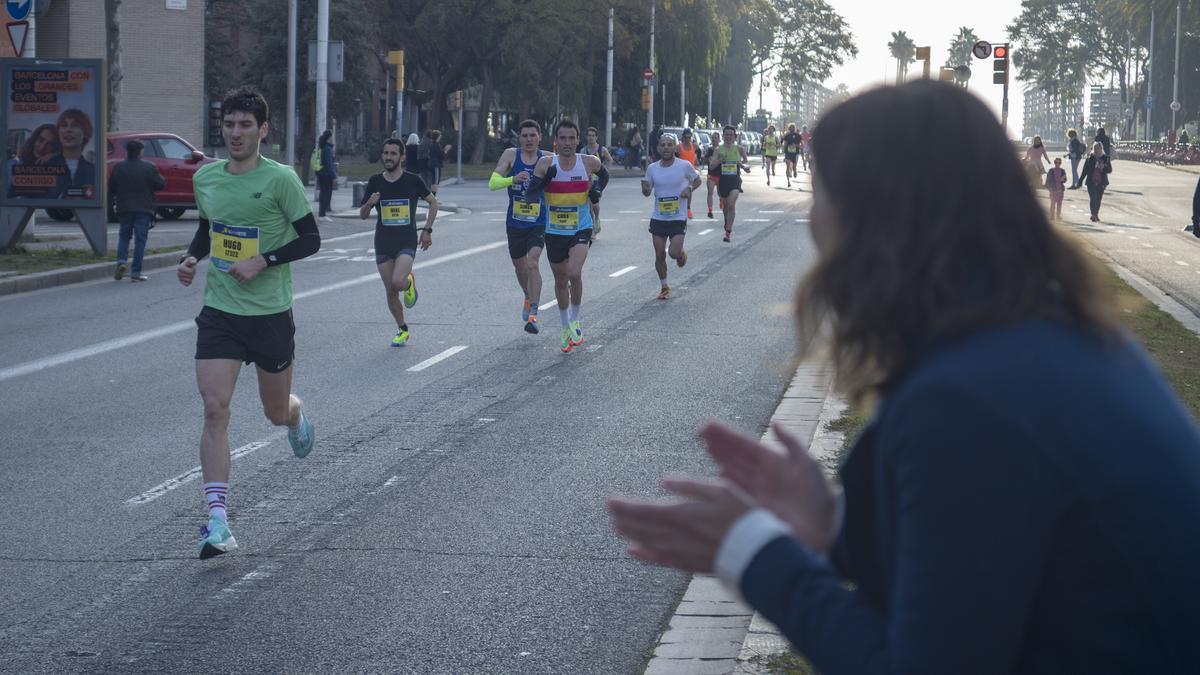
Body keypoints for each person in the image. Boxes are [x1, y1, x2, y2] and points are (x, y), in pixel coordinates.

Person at [607, 80, 1200, 674]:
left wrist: (752, 555)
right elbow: (982, 573)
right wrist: (833, 527)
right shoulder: (1050, 336)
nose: (814, 221)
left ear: (878, 217)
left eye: (825, 194)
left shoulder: (967, 398)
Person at [176, 86, 321, 559]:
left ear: (263, 129)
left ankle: (296, 414)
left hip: (270, 315)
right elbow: (209, 226)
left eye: (245, 125)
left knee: (274, 412)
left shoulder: (281, 180)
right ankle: (217, 522)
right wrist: (191, 258)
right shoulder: (207, 178)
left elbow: (311, 238)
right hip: (221, 312)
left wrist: (264, 260)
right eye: (228, 124)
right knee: (215, 407)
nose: (235, 133)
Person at [523, 119, 609, 353]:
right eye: (563, 138)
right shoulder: (545, 164)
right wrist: (546, 179)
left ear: (578, 140)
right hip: (553, 231)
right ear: (556, 141)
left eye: (572, 138)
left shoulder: (589, 162)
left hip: (580, 228)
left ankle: (576, 319)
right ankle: (564, 327)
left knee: (574, 272)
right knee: (561, 280)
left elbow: (605, 176)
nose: (567, 143)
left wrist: (596, 190)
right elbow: (530, 195)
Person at [359, 138, 437, 346]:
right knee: (391, 291)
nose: (388, 157)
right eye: (386, 153)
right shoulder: (375, 181)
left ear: (401, 157)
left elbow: (433, 203)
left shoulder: (413, 180)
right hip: (383, 242)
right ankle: (402, 329)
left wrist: (427, 230)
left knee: (397, 282)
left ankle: (409, 282)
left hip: (406, 241)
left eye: (393, 154)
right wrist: (369, 203)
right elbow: (363, 214)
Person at [490, 119, 548, 334]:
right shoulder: (510, 155)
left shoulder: (547, 159)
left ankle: (533, 312)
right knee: (520, 266)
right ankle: (527, 294)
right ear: (519, 138)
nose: (528, 139)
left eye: (533, 135)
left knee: (533, 262)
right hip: (514, 222)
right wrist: (512, 179)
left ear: (539, 137)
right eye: (524, 136)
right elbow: (492, 183)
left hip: (539, 221)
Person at [642, 133, 700, 300]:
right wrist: (645, 189)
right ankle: (664, 285)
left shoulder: (685, 166)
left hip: (677, 217)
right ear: (659, 148)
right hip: (659, 217)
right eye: (663, 145)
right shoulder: (652, 168)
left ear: (675, 148)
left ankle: (681, 254)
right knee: (659, 254)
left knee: (673, 253)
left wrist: (689, 188)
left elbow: (697, 180)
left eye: (669, 144)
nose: (666, 147)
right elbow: (647, 191)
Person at [111, 139, 166, 282]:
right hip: (144, 209)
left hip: (124, 208)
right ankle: (136, 273)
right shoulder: (149, 167)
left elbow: (111, 188)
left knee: (124, 237)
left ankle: (121, 262)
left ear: (127, 151)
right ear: (141, 151)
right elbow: (160, 184)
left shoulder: (118, 167)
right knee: (140, 241)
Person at [710, 125, 750, 243]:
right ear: (723, 136)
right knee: (726, 207)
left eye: (731, 135)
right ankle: (727, 222)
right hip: (722, 182)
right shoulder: (718, 150)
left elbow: (745, 161)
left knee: (731, 204)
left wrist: (744, 166)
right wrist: (719, 160)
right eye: (726, 134)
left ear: (734, 137)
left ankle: (728, 232)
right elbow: (712, 166)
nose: (728, 137)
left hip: (735, 181)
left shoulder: (739, 149)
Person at [48, 108, 96, 199]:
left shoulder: (94, 171)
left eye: (75, 125)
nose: (68, 130)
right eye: (64, 125)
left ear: (85, 133)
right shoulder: (46, 166)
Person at [580, 126, 613, 238]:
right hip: (588, 180)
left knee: (595, 202)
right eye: (589, 136)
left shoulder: (602, 150)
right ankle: (592, 225)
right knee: (589, 205)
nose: (591, 138)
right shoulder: (583, 151)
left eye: (593, 136)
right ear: (586, 137)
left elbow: (609, 160)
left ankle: (597, 218)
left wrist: (606, 170)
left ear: (596, 137)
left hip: (599, 181)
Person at [1081, 141, 1112, 223]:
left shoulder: (1106, 158)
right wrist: (1080, 181)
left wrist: (1103, 168)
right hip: (1091, 181)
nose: (1096, 150)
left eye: (1098, 148)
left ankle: (1096, 213)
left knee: (1098, 199)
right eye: (1095, 148)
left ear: (1101, 149)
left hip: (1101, 182)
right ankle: (1093, 214)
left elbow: (1109, 170)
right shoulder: (1090, 158)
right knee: (1093, 198)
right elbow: (1085, 170)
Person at [675, 128, 701, 218]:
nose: (687, 139)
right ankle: (679, 207)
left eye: (689, 137)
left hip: (691, 172)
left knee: (689, 189)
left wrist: (697, 160)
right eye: (686, 137)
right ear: (683, 137)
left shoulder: (694, 146)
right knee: (679, 190)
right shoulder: (679, 147)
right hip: (680, 171)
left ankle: (688, 209)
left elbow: (699, 153)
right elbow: (675, 158)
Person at [315, 129, 336, 220]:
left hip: (322, 174)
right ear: (328, 138)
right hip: (326, 175)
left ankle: (322, 214)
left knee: (324, 193)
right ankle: (322, 214)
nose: (333, 139)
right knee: (326, 194)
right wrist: (334, 176)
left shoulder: (323, 147)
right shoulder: (327, 149)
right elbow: (329, 164)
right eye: (332, 137)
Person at [421, 130, 448, 195]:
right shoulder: (436, 145)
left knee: (434, 181)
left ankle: (433, 196)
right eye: (440, 135)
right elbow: (441, 155)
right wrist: (446, 150)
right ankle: (433, 197)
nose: (441, 136)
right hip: (436, 165)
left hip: (432, 164)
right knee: (436, 181)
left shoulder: (432, 144)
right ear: (437, 137)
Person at [704, 131, 721, 218]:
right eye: (713, 138)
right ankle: (710, 210)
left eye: (716, 138)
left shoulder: (722, 149)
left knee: (720, 193)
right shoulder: (709, 149)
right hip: (711, 175)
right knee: (710, 192)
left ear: (719, 139)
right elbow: (704, 159)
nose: (714, 139)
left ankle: (722, 201)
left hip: (720, 175)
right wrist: (708, 159)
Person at [1045, 156, 1066, 221]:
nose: (1057, 164)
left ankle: (1058, 216)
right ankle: (1052, 216)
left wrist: (1063, 179)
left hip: (1060, 190)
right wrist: (1049, 188)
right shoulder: (1051, 171)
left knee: (1059, 204)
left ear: (1060, 163)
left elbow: (1065, 180)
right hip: (1053, 190)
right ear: (1054, 163)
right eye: (1056, 162)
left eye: (1059, 162)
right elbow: (1048, 180)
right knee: (1053, 203)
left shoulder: (1062, 171)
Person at [781, 124, 801, 188]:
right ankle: (788, 181)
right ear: (789, 128)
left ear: (794, 128)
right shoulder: (787, 135)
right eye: (790, 128)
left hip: (795, 153)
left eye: (793, 128)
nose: (792, 129)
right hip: (788, 153)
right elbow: (784, 143)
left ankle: (795, 171)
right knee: (788, 166)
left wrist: (797, 145)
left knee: (794, 167)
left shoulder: (798, 135)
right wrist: (784, 147)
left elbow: (802, 144)